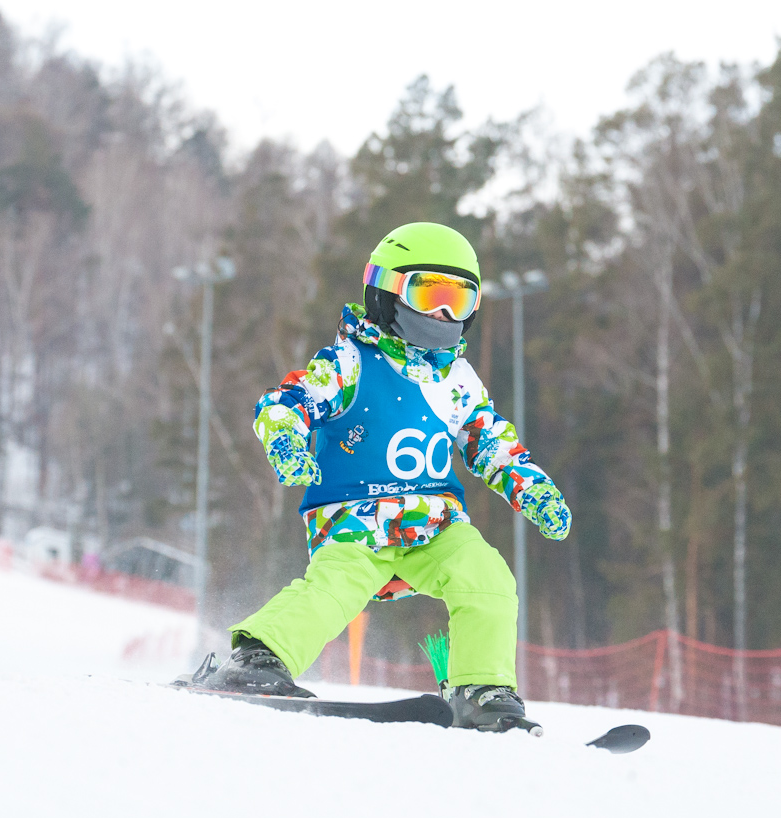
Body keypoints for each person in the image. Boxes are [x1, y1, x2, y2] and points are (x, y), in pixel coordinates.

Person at [200, 221, 571, 731]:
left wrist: (533, 488)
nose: (443, 315)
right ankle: (257, 658)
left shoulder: (457, 379)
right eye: (430, 295)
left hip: (435, 524)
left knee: (486, 576)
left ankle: (481, 688)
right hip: (355, 520)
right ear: (386, 293)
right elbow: (285, 402)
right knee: (335, 588)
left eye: (459, 301)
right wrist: (286, 438)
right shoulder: (350, 363)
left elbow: (491, 442)